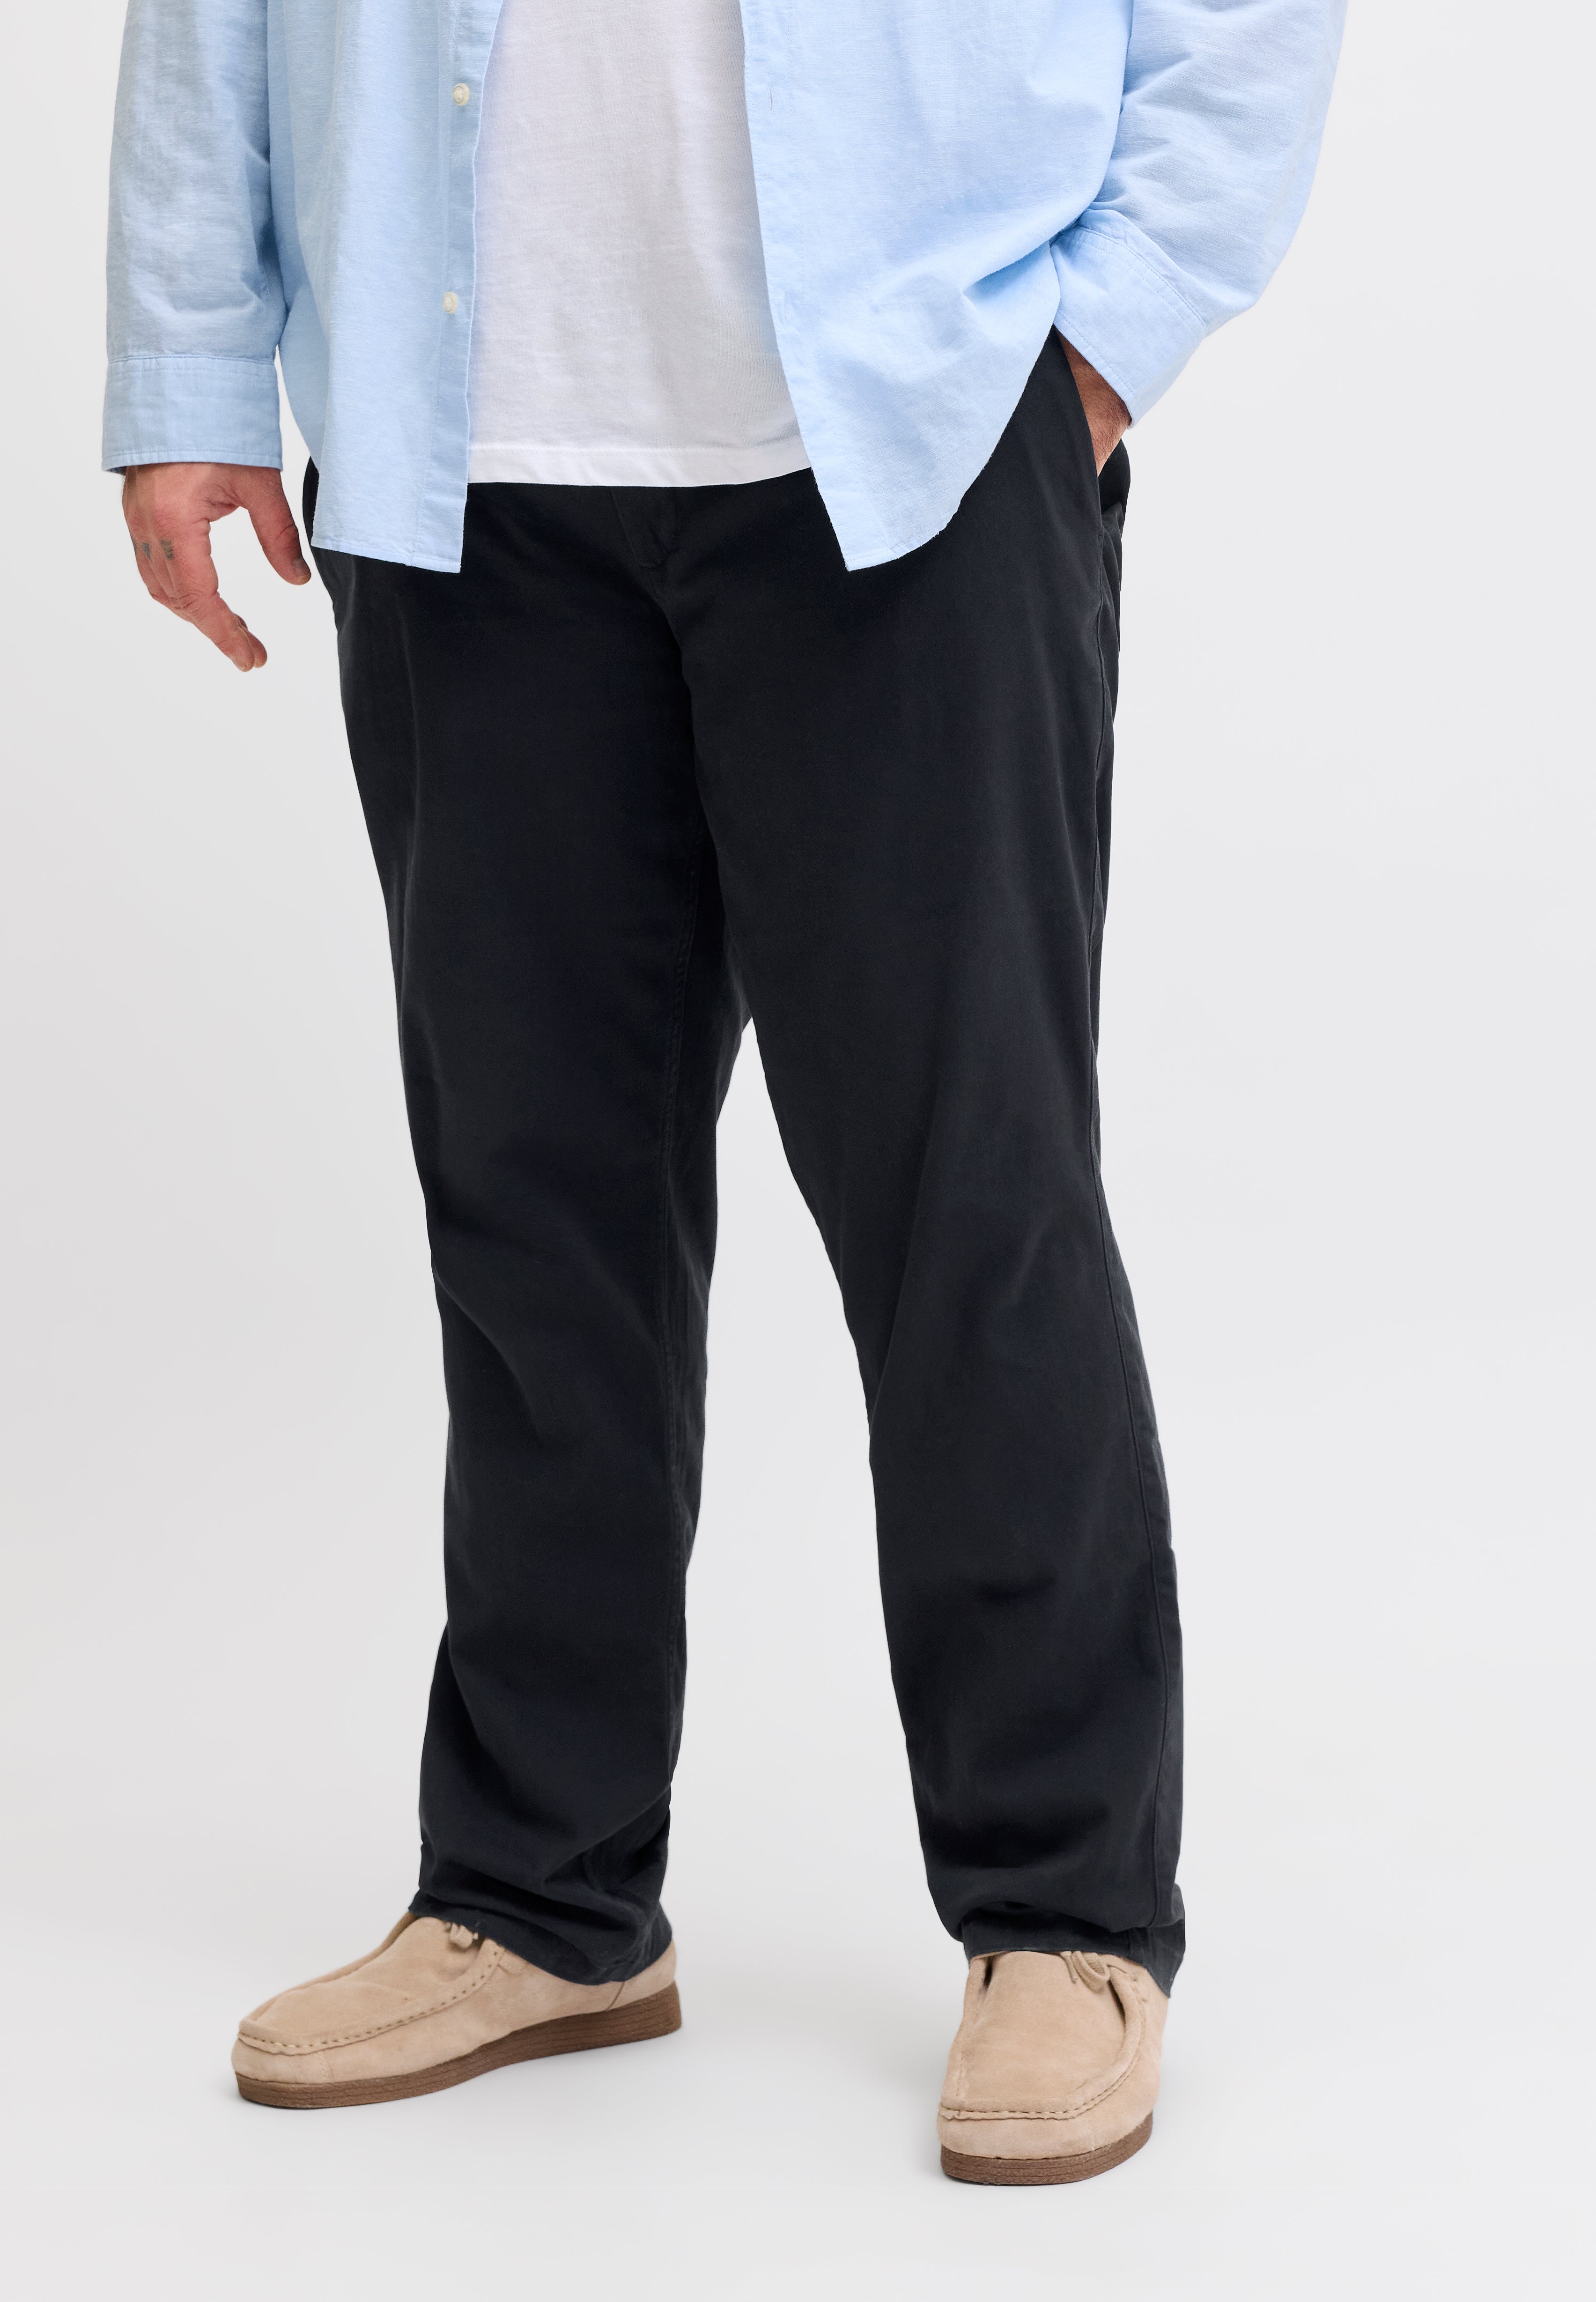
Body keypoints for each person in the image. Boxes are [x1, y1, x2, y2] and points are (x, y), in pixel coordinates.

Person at [107, 0, 1342, 2184]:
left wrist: (1099, 338)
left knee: (968, 1203)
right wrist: (191, 365)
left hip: (909, 425)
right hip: (460, 448)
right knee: (533, 1218)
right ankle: (539, 1889)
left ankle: (1066, 1909)